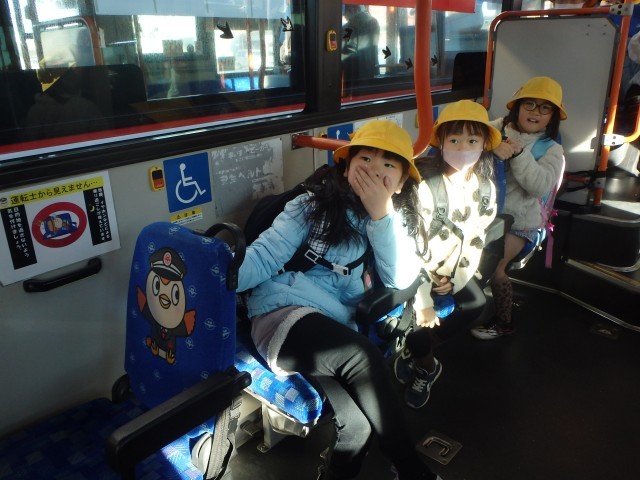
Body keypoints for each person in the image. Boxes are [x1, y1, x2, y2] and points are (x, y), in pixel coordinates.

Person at [237, 120, 442, 480]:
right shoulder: (309, 206)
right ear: (346, 167)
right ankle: (410, 470)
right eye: (366, 158)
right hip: (281, 312)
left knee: (357, 428)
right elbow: (264, 257)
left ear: (400, 183)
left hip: (333, 328)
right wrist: (222, 276)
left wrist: (381, 215)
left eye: (388, 164)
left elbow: (400, 279)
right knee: (362, 354)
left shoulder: (392, 222)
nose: (375, 169)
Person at [392, 100, 502, 409]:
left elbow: (476, 238)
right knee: (416, 324)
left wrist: (456, 279)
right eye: (454, 140)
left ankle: (420, 352)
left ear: (484, 144)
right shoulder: (425, 186)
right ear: (440, 142)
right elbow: (410, 247)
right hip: (419, 272)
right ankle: (427, 367)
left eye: (472, 140)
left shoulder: (485, 188)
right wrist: (425, 298)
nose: (463, 148)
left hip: (453, 271)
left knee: (475, 304)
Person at [470, 76, 567, 340]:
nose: (535, 112)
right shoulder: (496, 128)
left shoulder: (552, 149)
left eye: (545, 108)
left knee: (495, 267)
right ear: (518, 106)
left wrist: (519, 154)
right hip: (482, 212)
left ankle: (504, 321)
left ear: (552, 117)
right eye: (529, 104)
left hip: (520, 221)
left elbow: (539, 186)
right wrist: (492, 145)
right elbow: (468, 139)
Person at [342, 5, 380, 87]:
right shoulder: (374, 23)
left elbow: (344, 50)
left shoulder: (348, 27)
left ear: (352, 10)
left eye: (345, 12)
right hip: (371, 70)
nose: (344, 15)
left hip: (352, 74)